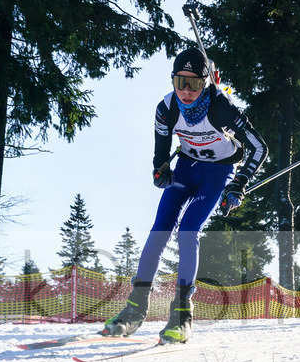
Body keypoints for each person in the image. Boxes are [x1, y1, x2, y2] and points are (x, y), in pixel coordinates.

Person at [102, 47, 267, 343]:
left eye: (194, 83)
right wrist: (159, 171)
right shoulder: (166, 109)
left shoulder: (221, 107)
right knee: (160, 229)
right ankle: (135, 308)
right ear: (172, 81)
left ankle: (182, 313)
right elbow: (160, 153)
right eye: (180, 82)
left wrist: (239, 182)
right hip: (187, 169)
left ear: (206, 83)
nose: (186, 91)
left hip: (217, 173)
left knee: (188, 232)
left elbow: (259, 147)